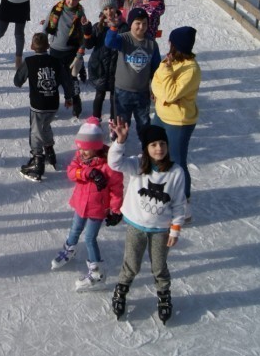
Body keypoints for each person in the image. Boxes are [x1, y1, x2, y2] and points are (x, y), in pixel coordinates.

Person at [107, 121, 186, 323]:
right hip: (136, 225)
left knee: (159, 266)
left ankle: (164, 296)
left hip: (161, 229)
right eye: (153, 145)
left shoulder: (175, 172)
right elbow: (114, 163)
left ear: (167, 146)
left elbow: (178, 203)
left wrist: (175, 228)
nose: (158, 148)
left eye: (162, 143)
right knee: (131, 264)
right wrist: (120, 141)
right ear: (146, 148)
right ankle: (121, 290)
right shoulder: (137, 165)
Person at [50, 117, 123, 292]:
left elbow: (116, 189)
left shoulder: (108, 166)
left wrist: (115, 210)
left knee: (90, 238)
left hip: (97, 209)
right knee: (75, 229)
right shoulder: (80, 159)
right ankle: (69, 251)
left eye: (86, 149)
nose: (81, 152)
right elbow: (71, 172)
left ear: (96, 147)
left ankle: (97, 273)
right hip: (81, 204)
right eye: (80, 148)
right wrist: (88, 172)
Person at [151, 26, 200, 223]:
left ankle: (184, 203)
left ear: (176, 45)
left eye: (171, 42)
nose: (168, 44)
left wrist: (166, 73)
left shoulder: (191, 69)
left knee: (177, 162)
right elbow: (155, 83)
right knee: (154, 154)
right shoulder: (170, 62)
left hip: (179, 121)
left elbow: (170, 93)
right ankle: (155, 191)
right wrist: (165, 73)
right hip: (161, 114)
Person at [13, 32, 74, 181]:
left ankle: (37, 162)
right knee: (45, 126)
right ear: (48, 46)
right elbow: (66, 80)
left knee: (35, 131)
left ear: (32, 46)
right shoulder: (56, 61)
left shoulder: (29, 62)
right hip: (53, 104)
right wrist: (68, 97)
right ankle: (50, 152)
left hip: (38, 105)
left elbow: (17, 81)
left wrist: (21, 79)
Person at [104, 7, 160, 148]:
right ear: (131, 24)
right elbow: (109, 43)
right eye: (138, 23)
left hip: (142, 92)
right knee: (122, 124)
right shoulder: (124, 39)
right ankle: (118, 149)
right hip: (122, 91)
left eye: (145, 23)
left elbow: (156, 69)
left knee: (144, 123)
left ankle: (147, 150)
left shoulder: (152, 43)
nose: (141, 27)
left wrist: (155, 88)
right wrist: (113, 27)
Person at [43, 0, 91, 119]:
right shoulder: (56, 9)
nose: (71, 1)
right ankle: (50, 105)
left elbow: (84, 37)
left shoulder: (81, 15)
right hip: (54, 51)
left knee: (72, 80)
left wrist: (79, 55)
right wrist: (42, 45)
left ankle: (76, 102)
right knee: (53, 80)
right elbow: (46, 27)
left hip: (71, 52)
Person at [86, 0, 125, 120]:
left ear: (116, 7)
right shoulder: (98, 27)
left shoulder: (123, 27)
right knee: (99, 95)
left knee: (115, 97)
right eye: (106, 9)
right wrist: (86, 30)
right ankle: (95, 120)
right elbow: (89, 45)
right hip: (101, 68)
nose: (109, 11)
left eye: (111, 7)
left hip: (116, 67)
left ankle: (113, 122)